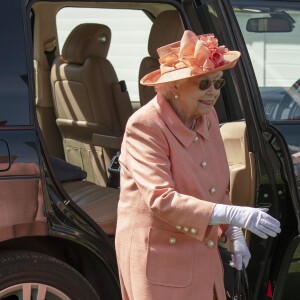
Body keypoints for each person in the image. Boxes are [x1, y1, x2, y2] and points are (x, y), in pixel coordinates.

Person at [115, 30, 281, 300]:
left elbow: (214, 183)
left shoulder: (208, 115)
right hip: (160, 258)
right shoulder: (145, 125)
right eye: (204, 84)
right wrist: (235, 214)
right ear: (175, 86)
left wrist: (232, 230)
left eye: (219, 84)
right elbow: (161, 199)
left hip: (201, 253)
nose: (213, 93)